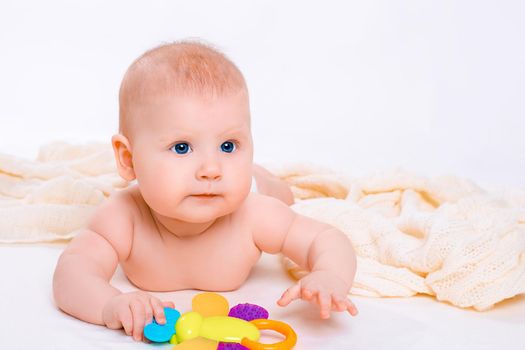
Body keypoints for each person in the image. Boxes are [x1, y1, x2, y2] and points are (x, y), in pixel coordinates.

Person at [53, 40, 358, 342]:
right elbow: (73, 273)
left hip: (249, 189)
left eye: (229, 146)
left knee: (279, 194)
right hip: (228, 188)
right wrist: (109, 304)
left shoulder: (254, 214)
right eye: (182, 148)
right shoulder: (123, 217)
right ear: (128, 159)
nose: (211, 169)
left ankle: (262, 176)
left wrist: (329, 276)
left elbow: (325, 238)